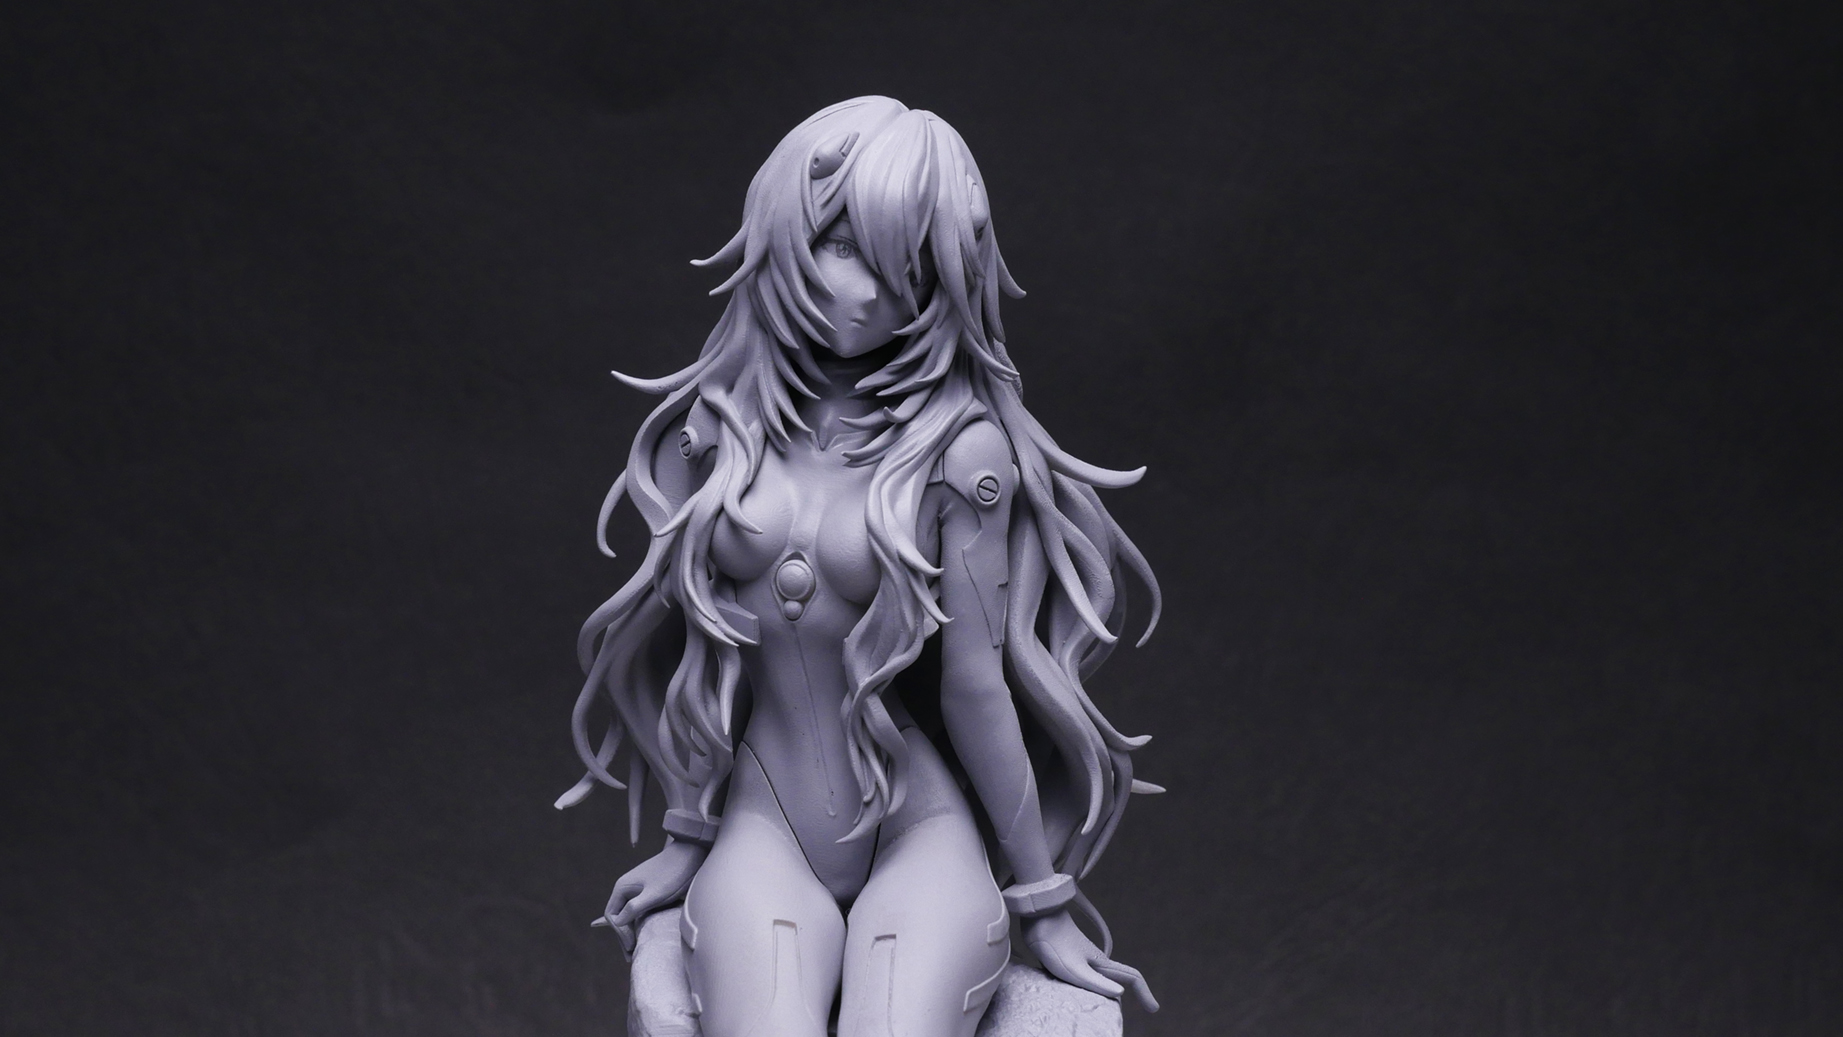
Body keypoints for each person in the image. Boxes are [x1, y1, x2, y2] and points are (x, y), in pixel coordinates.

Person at [558, 96, 1161, 1037]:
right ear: (785, 231)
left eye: (909, 266)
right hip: (763, 821)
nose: (872, 294)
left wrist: (1042, 896)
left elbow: (975, 684)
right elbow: (689, 654)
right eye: (843, 246)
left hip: (917, 832)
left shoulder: (961, 452)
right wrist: (687, 829)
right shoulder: (707, 434)